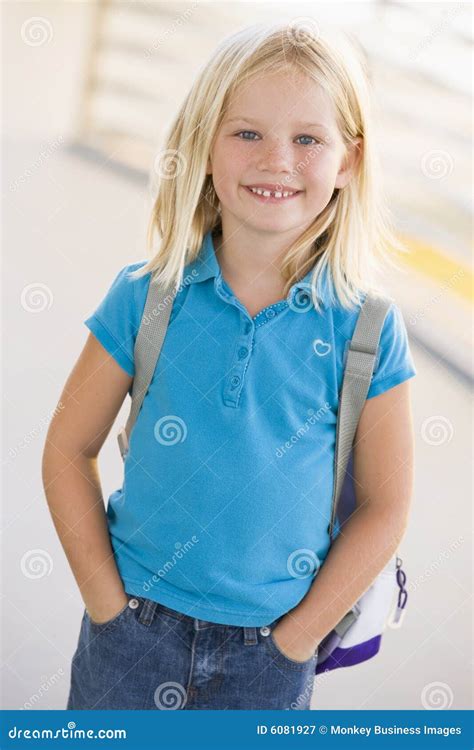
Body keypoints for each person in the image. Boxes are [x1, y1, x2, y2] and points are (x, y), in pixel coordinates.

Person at [42, 21, 417, 710]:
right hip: (130, 634)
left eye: (308, 139)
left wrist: (295, 641)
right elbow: (68, 449)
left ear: (347, 162)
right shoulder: (146, 296)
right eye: (247, 133)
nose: (277, 159)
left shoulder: (367, 329)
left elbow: (386, 506)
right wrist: (106, 605)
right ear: (204, 148)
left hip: (269, 657)